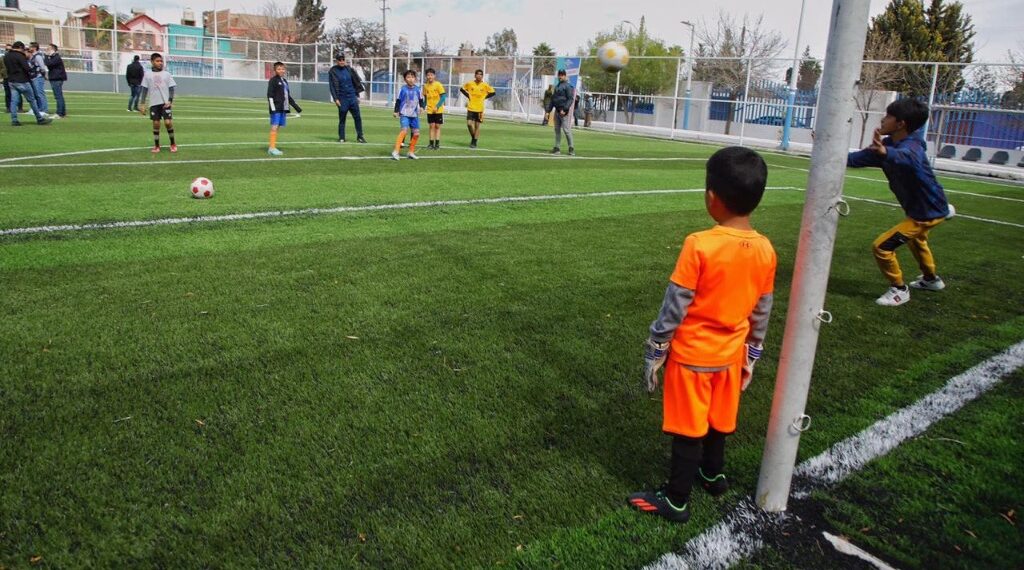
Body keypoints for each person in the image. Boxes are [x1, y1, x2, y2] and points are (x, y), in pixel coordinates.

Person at [630, 146, 776, 523]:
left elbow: (675, 303)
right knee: (717, 419)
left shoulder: (700, 244)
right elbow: (762, 308)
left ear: (712, 197)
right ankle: (713, 475)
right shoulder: (766, 250)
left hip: (693, 355)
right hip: (730, 355)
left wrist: (656, 347)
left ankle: (677, 498)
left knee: (688, 426)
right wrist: (753, 353)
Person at [847, 99, 952, 307]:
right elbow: (855, 160)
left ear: (900, 123)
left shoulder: (912, 146)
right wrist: (826, 148)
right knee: (917, 241)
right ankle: (931, 280)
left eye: (888, 117)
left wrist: (886, 153)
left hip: (926, 212)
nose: (883, 119)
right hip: (920, 210)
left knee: (882, 246)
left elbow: (907, 157)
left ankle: (899, 289)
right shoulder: (887, 145)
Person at [4, 42, 51, 126]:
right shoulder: (20, 56)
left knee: (14, 101)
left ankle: (14, 119)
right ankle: (39, 118)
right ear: (20, 47)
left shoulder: (6, 56)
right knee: (32, 100)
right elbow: (27, 68)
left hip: (11, 81)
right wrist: (32, 72)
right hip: (22, 81)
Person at [138, 52, 177, 153]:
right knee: (156, 124)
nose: (160, 63)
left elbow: (172, 88)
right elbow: (144, 89)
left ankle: (173, 143)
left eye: (161, 61)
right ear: (152, 62)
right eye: (157, 61)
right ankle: (157, 146)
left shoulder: (167, 74)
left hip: (165, 103)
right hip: (154, 103)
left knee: (168, 123)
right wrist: (142, 103)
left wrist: (170, 100)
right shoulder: (147, 74)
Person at [328, 53, 367, 143]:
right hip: (342, 98)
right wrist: (335, 99)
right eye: (340, 60)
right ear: (337, 61)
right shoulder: (333, 71)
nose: (342, 61)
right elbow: (332, 86)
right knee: (342, 118)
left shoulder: (349, 69)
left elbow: (356, 82)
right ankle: (342, 137)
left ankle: (360, 136)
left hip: (352, 97)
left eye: (343, 59)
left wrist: (357, 96)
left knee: (357, 117)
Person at [266, 61, 302, 156]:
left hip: (283, 108)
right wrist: (272, 108)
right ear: (275, 70)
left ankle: (272, 146)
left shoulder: (284, 81)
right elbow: (270, 95)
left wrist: (296, 107)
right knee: (274, 126)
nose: (281, 70)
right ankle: (271, 148)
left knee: (277, 127)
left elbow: (288, 96)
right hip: (276, 108)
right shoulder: (273, 80)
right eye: (279, 69)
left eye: (282, 68)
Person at [391, 69, 423, 161]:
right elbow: (398, 101)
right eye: (408, 77)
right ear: (405, 79)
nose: (411, 79)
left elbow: (421, 100)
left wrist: (422, 107)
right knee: (404, 131)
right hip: (404, 113)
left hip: (414, 115)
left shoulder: (418, 89)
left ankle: (411, 152)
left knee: (416, 134)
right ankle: (396, 151)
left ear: (415, 79)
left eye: (412, 77)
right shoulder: (402, 89)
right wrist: (396, 111)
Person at [459, 69, 495, 148]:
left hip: (479, 109)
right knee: (469, 124)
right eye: (477, 74)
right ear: (475, 75)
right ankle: (474, 137)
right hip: (471, 107)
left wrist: (484, 97)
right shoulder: (470, 83)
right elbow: (462, 89)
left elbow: (493, 92)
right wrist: (468, 96)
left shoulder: (485, 85)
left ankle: (474, 142)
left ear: (482, 76)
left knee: (477, 126)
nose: (479, 75)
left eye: (481, 74)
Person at [545, 69, 576, 156]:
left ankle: (571, 148)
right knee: (557, 130)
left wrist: (565, 110)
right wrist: (548, 111)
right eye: (559, 75)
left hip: (564, 112)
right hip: (557, 111)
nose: (560, 76)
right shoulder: (557, 86)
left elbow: (570, 99)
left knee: (566, 130)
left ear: (565, 76)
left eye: (562, 75)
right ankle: (557, 148)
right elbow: (553, 100)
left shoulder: (568, 86)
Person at [422, 67, 447, 150]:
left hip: (438, 110)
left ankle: (437, 144)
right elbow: (425, 98)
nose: (430, 77)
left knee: (437, 126)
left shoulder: (438, 84)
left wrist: (437, 106)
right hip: (429, 109)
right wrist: (422, 106)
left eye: (431, 75)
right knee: (431, 126)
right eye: (428, 75)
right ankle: (431, 144)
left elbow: (443, 96)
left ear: (434, 76)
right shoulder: (425, 86)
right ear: (426, 76)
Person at [44, 44, 67, 118]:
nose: (47, 50)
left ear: (53, 49)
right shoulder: (54, 57)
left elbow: (48, 63)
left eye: (48, 49)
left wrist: (46, 56)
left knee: (58, 96)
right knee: (59, 96)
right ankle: (62, 112)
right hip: (56, 78)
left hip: (57, 78)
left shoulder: (56, 57)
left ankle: (59, 113)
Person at [27, 42, 48, 117]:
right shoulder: (33, 56)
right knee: (36, 94)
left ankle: (44, 109)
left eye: (30, 47)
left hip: (38, 77)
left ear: (34, 48)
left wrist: (44, 75)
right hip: (34, 77)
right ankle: (39, 108)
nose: (29, 48)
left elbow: (42, 67)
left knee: (40, 93)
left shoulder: (37, 56)